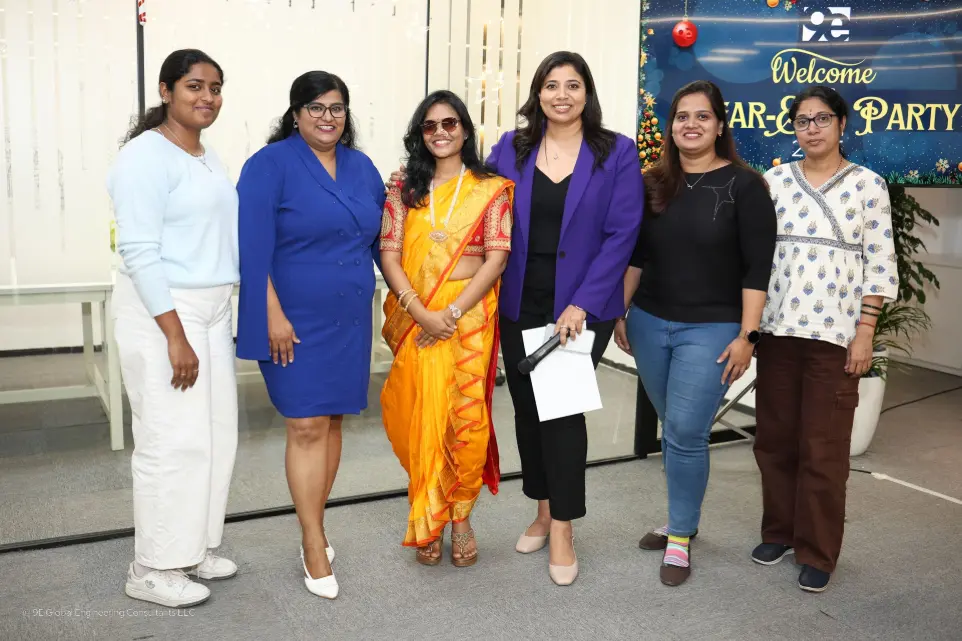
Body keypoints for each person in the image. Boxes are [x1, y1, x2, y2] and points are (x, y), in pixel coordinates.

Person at [614, 79, 777, 587]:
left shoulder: (746, 186)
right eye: (682, 116)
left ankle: (681, 535)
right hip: (648, 323)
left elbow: (757, 269)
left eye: (702, 116)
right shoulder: (651, 184)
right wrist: (619, 312)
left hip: (712, 328)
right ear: (671, 126)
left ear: (719, 124)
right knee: (675, 429)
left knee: (686, 431)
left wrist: (748, 337)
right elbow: (636, 257)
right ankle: (682, 516)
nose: (691, 124)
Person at [491, 51, 644, 586]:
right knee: (527, 412)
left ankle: (562, 527)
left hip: (580, 306)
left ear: (587, 93)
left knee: (560, 412)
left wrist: (582, 303)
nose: (562, 95)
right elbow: (476, 202)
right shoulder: (511, 148)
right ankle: (541, 509)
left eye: (572, 85)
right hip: (517, 300)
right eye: (551, 85)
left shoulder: (615, 152)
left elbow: (622, 233)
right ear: (538, 93)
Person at [235, 71, 386, 600]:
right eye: (316, 107)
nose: (327, 117)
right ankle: (312, 539)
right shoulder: (269, 165)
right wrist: (271, 313)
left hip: (349, 317)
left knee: (332, 420)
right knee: (304, 424)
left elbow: (383, 239)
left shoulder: (362, 167)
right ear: (296, 114)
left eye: (336, 108)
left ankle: (314, 523)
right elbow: (251, 247)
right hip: (291, 318)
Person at [749, 85, 898, 593]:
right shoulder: (773, 181)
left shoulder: (869, 185)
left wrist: (865, 333)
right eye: (802, 120)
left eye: (822, 119)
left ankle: (817, 549)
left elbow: (880, 265)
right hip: (777, 332)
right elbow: (754, 257)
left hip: (835, 339)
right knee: (774, 441)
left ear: (841, 124)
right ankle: (779, 532)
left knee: (824, 448)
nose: (811, 128)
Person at [108, 49, 239, 608]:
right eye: (194, 86)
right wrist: (175, 334)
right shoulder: (143, 156)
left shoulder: (208, 156)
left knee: (214, 435)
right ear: (166, 91)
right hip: (163, 312)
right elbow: (139, 250)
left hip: (213, 308)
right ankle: (151, 567)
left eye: (215, 87)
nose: (207, 97)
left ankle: (192, 548)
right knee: (170, 441)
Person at [379, 90, 514, 568]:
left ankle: (460, 519)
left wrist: (451, 313)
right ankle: (428, 517)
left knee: (465, 422)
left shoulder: (490, 188)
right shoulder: (404, 188)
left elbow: (496, 259)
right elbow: (389, 255)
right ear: (420, 134)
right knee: (418, 419)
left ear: (465, 130)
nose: (440, 133)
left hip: (469, 319)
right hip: (417, 316)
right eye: (430, 125)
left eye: (450, 123)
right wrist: (420, 312)